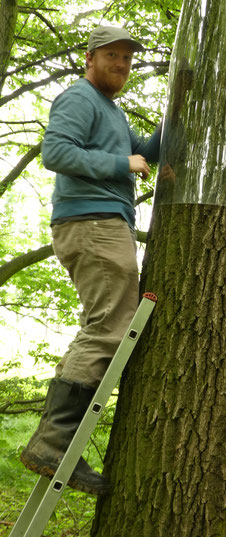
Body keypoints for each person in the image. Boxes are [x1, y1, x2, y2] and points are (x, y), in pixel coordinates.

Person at [20, 26, 161, 495]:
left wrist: (180, 111)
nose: (121, 65)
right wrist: (123, 165)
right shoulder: (80, 97)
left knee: (108, 323)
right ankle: (53, 446)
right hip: (93, 223)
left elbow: (144, 151)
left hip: (103, 224)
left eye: (127, 59)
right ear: (91, 58)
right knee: (108, 327)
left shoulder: (112, 112)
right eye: (113, 56)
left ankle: (56, 445)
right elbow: (56, 152)